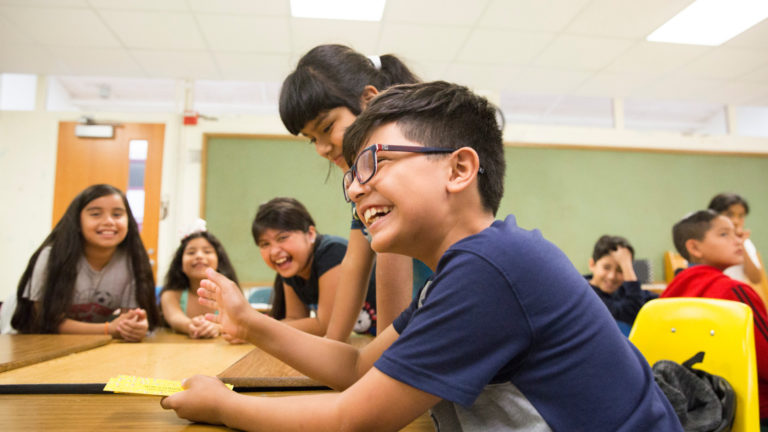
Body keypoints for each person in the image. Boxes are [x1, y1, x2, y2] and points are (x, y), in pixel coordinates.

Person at [162, 82, 681, 431]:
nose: (355, 191)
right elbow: (359, 366)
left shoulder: (492, 269)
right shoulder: (461, 271)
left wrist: (223, 405)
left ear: (458, 170)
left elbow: (353, 418)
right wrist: (249, 323)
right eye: (352, 178)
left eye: (374, 163)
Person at [278, 44, 427, 340]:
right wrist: (331, 347)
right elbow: (355, 264)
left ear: (369, 100)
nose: (321, 148)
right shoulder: (365, 181)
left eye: (327, 127)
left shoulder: (395, 176)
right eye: (311, 139)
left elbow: (391, 332)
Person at [9, 184, 158, 341]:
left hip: (93, 345)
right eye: (95, 214)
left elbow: (127, 321)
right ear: (77, 221)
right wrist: (108, 329)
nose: (108, 221)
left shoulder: (132, 263)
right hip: (38, 341)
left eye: (117, 214)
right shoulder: (51, 257)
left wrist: (133, 328)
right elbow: (43, 320)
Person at [661, 209, 768, 421]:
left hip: (692, 413)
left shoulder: (665, 299)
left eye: (737, 234)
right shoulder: (734, 292)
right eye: (724, 234)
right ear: (694, 247)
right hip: (749, 410)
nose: (738, 240)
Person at [252, 197, 375, 336]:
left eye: (282, 238)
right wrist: (252, 331)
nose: (274, 251)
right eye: (265, 244)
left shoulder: (332, 253)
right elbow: (296, 319)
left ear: (310, 234)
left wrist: (258, 328)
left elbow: (326, 325)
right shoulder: (292, 267)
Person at [160, 220, 239, 339]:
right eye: (191, 252)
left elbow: (239, 322)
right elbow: (174, 319)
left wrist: (218, 327)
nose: (199, 256)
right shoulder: (170, 296)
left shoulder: (230, 294)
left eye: (207, 251)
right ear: (180, 264)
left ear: (219, 261)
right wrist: (190, 326)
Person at [586, 235, 657, 328]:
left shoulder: (622, 289)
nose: (612, 276)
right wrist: (626, 266)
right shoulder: (586, 296)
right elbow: (632, 312)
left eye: (620, 270)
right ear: (592, 264)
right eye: (606, 267)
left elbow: (656, 303)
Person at [708, 193, 764, 292]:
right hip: (713, 292)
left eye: (741, 216)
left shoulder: (745, 242)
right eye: (729, 215)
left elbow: (756, 278)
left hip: (735, 295)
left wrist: (742, 244)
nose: (736, 221)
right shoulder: (708, 239)